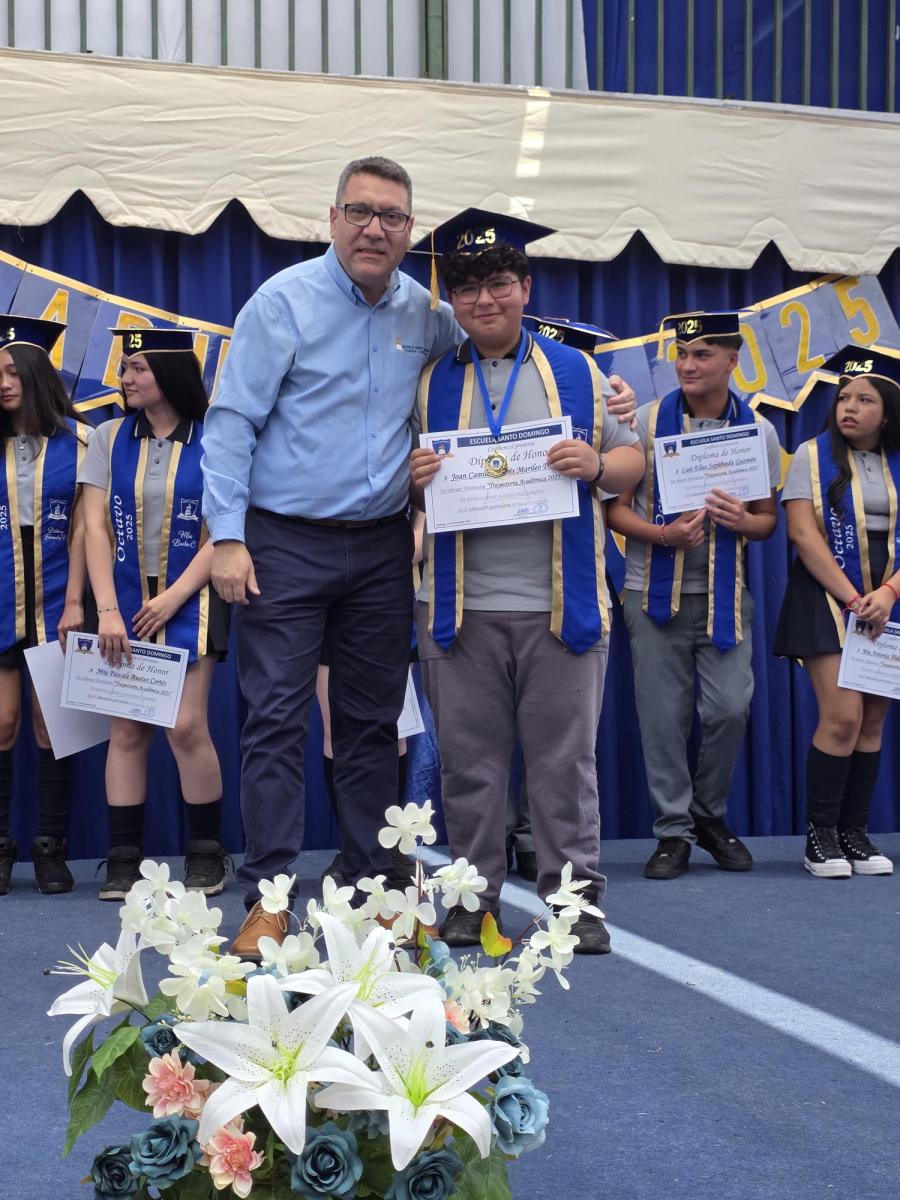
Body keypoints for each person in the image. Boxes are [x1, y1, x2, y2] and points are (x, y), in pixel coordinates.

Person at [200, 156, 461, 960]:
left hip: (381, 548)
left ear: (411, 231)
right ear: (333, 217)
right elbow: (231, 423)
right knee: (276, 722)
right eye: (360, 211)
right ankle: (269, 900)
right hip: (282, 542)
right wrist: (228, 536)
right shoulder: (281, 302)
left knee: (372, 728)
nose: (375, 228)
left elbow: (492, 363)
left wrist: (601, 391)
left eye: (392, 216)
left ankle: (372, 893)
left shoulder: (427, 315)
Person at [410, 209, 645, 953]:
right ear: (452, 300)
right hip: (458, 607)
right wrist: (413, 479)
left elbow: (633, 460)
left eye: (499, 284)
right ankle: (469, 899)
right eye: (468, 288)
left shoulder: (579, 372)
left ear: (526, 288)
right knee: (469, 768)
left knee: (564, 767)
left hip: (560, 605)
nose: (485, 300)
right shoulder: (427, 379)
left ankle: (574, 903)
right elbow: (394, 481)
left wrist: (598, 465)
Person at [607, 311, 781, 879]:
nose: (688, 365)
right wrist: (665, 536)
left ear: (733, 361)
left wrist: (742, 520)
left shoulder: (758, 430)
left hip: (725, 599)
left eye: (703, 354)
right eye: (682, 354)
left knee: (730, 708)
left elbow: (766, 521)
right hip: (651, 595)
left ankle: (708, 815)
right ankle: (673, 832)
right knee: (662, 721)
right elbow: (615, 511)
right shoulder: (646, 422)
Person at [80, 327, 228, 900]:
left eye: (137, 367)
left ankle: (206, 854)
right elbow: (95, 527)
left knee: (186, 726)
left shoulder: (216, 437)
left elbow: (226, 527)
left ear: (169, 371)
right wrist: (107, 610)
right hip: (121, 602)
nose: (126, 378)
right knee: (126, 727)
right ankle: (124, 861)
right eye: (125, 368)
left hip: (193, 599)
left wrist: (174, 597)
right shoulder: (108, 436)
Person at [774, 346, 899, 877]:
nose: (849, 407)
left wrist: (888, 593)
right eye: (844, 397)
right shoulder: (810, 454)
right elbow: (803, 534)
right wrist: (853, 600)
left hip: (887, 601)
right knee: (843, 716)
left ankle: (854, 833)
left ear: (887, 414)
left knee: (872, 720)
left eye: (865, 400)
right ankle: (820, 836)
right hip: (826, 597)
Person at [0, 316, 90, 895]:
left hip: (60, 600)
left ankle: (51, 847)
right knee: (3, 722)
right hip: (0, 600)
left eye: (12, 372)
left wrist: (77, 599)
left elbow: (88, 529)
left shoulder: (82, 443)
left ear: (37, 374)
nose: (4, 384)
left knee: (53, 727)